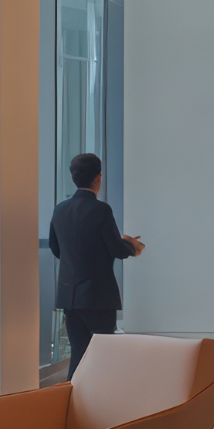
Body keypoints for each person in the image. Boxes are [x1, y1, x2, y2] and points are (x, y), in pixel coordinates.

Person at [48, 153, 145, 376]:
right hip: (97, 296)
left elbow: (56, 248)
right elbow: (116, 250)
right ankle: (101, 403)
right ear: (98, 178)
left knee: (78, 353)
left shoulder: (60, 209)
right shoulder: (101, 210)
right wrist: (132, 245)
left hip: (69, 296)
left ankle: (72, 402)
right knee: (103, 354)